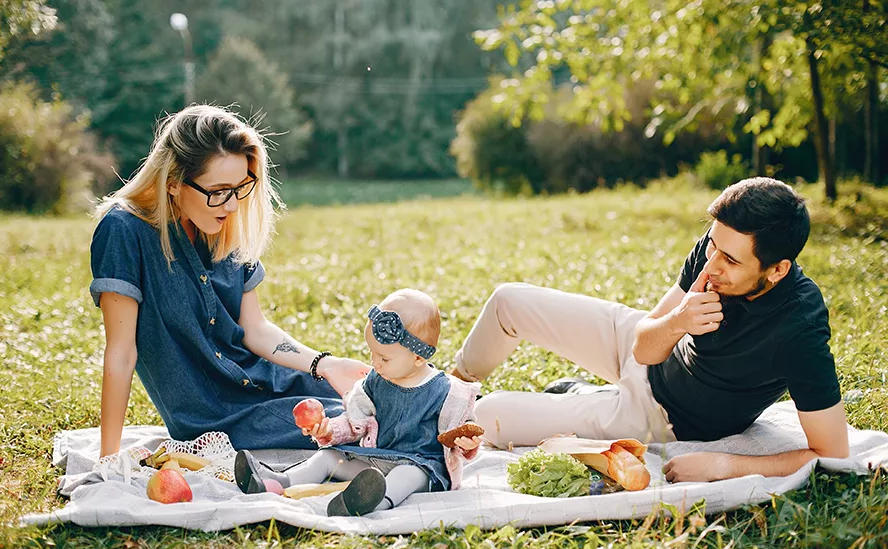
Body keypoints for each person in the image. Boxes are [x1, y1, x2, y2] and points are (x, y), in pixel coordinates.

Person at [449, 177, 850, 483]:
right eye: (712, 246)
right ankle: (446, 393)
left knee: (489, 413)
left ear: (777, 270)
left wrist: (722, 464)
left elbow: (832, 451)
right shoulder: (715, 250)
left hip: (661, 414)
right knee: (508, 301)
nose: (711, 266)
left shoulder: (799, 329)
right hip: (649, 344)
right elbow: (643, 345)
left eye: (729, 260)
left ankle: (585, 397)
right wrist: (679, 322)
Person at [90, 105, 370, 458]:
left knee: (390, 394)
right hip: (222, 415)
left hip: (274, 380)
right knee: (364, 426)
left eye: (240, 188)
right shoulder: (123, 231)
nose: (234, 205)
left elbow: (255, 329)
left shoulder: (220, 225)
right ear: (173, 182)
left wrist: (324, 364)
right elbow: (121, 352)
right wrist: (109, 459)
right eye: (220, 190)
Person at [234, 289, 482, 517]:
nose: (375, 363)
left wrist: (466, 443)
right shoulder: (375, 381)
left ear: (418, 357)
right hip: (376, 460)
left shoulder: (447, 391)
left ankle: (373, 502)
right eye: (372, 353)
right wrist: (329, 429)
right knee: (328, 457)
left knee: (406, 474)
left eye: (384, 357)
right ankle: (278, 482)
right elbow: (356, 422)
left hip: (421, 468)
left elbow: (461, 432)